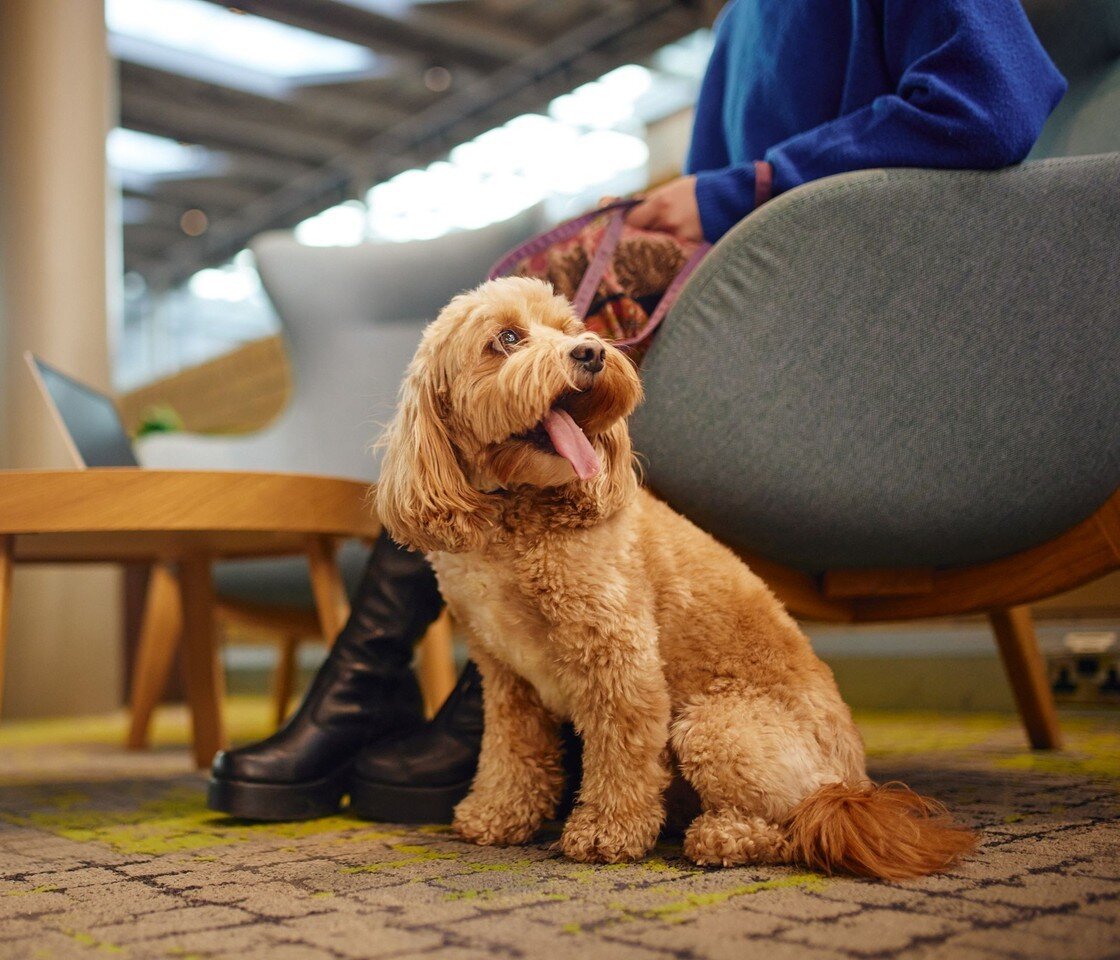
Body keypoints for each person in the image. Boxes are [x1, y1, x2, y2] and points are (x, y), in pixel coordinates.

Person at [207, 0, 1065, 823]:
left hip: (869, 353)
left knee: (543, 363)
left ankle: (393, 691)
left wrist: (746, 185)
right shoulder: (739, 24)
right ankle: (385, 686)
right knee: (522, 334)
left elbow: (995, 102)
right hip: (775, 328)